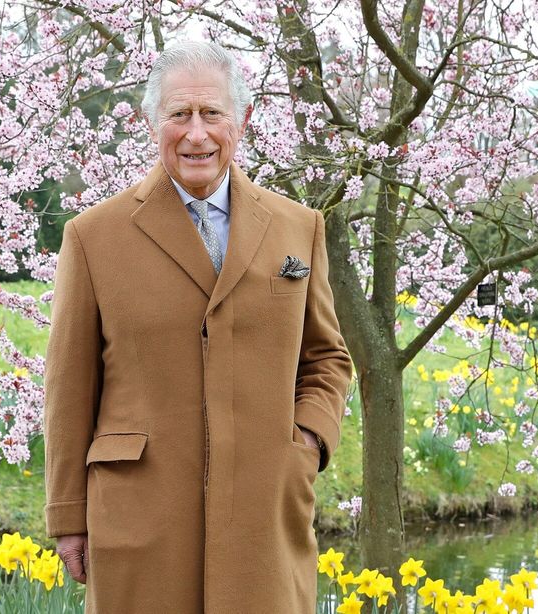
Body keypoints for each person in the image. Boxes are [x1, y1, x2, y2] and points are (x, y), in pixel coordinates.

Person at [43, 40, 352, 613]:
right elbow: (68, 387)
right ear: (151, 123)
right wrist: (67, 515)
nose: (196, 134)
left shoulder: (298, 228)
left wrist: (305, 441)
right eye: (178, 115)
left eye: (212, 113)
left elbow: (327, 359)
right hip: (141, 514)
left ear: (243, 121)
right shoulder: (93, 237)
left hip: (265, 509)